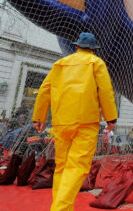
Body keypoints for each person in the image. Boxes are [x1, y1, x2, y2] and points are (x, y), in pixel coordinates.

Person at [32, 32, 118, 211]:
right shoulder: (96, 63)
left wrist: (39, 117)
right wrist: (111, 118)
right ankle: (60, 209)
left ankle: (61, 206)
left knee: (62, 166)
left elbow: (44, 89)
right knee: (77, 166)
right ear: (94, 50)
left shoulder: (60, 64)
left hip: (61, 122)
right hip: (86, 122)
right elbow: (105, 91)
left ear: (76, 46)